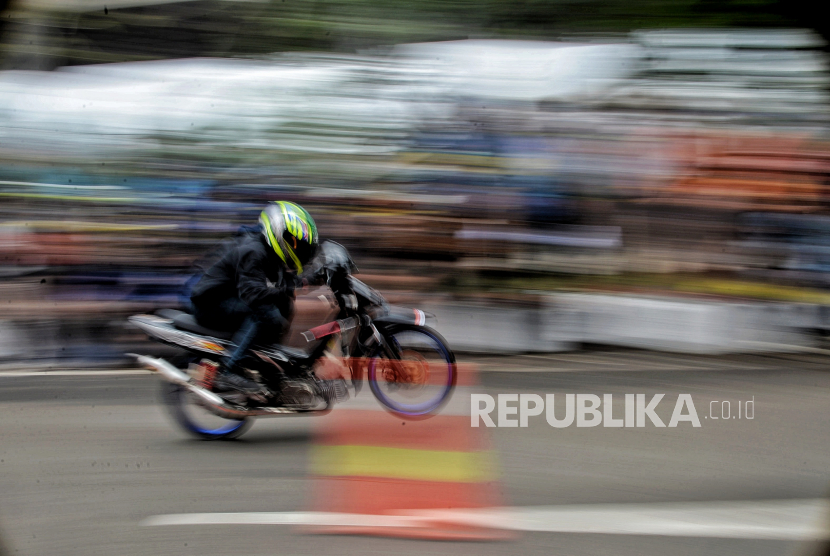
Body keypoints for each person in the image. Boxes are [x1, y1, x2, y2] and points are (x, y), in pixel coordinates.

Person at [189, 201, 319, 399]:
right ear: (277, 232)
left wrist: (313, 277)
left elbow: (281, 283)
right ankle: (228, 370)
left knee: (281, 310)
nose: (298, 248)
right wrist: (289, 287)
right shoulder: (253, 251)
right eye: (293, 242)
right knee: (263, 314)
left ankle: (258, 363)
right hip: (210, 304)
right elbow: (254, 294)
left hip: (229, 298)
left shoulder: (270, 254)